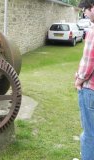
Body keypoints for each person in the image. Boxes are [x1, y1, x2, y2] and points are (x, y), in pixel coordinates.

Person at [75, 0, 94, 159]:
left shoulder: (93, 31)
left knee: (89, 133)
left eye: (85, 11)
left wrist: (79, 80)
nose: (85, 14)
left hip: (91, 90)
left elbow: (89, 62)